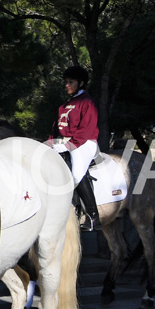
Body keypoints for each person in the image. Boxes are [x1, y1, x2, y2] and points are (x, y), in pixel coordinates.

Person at [48, 66, 101, 231]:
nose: (66, 85)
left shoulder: (87, 102)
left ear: (81, 83)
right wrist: (49, 144)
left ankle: (93, 216)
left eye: (70, 82)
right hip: (65, 142)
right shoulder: (64, 106)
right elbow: (56, 128)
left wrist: (68, 145)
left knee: (76, 175)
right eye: (66, 82)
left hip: (84, 143)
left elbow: (85, 129)